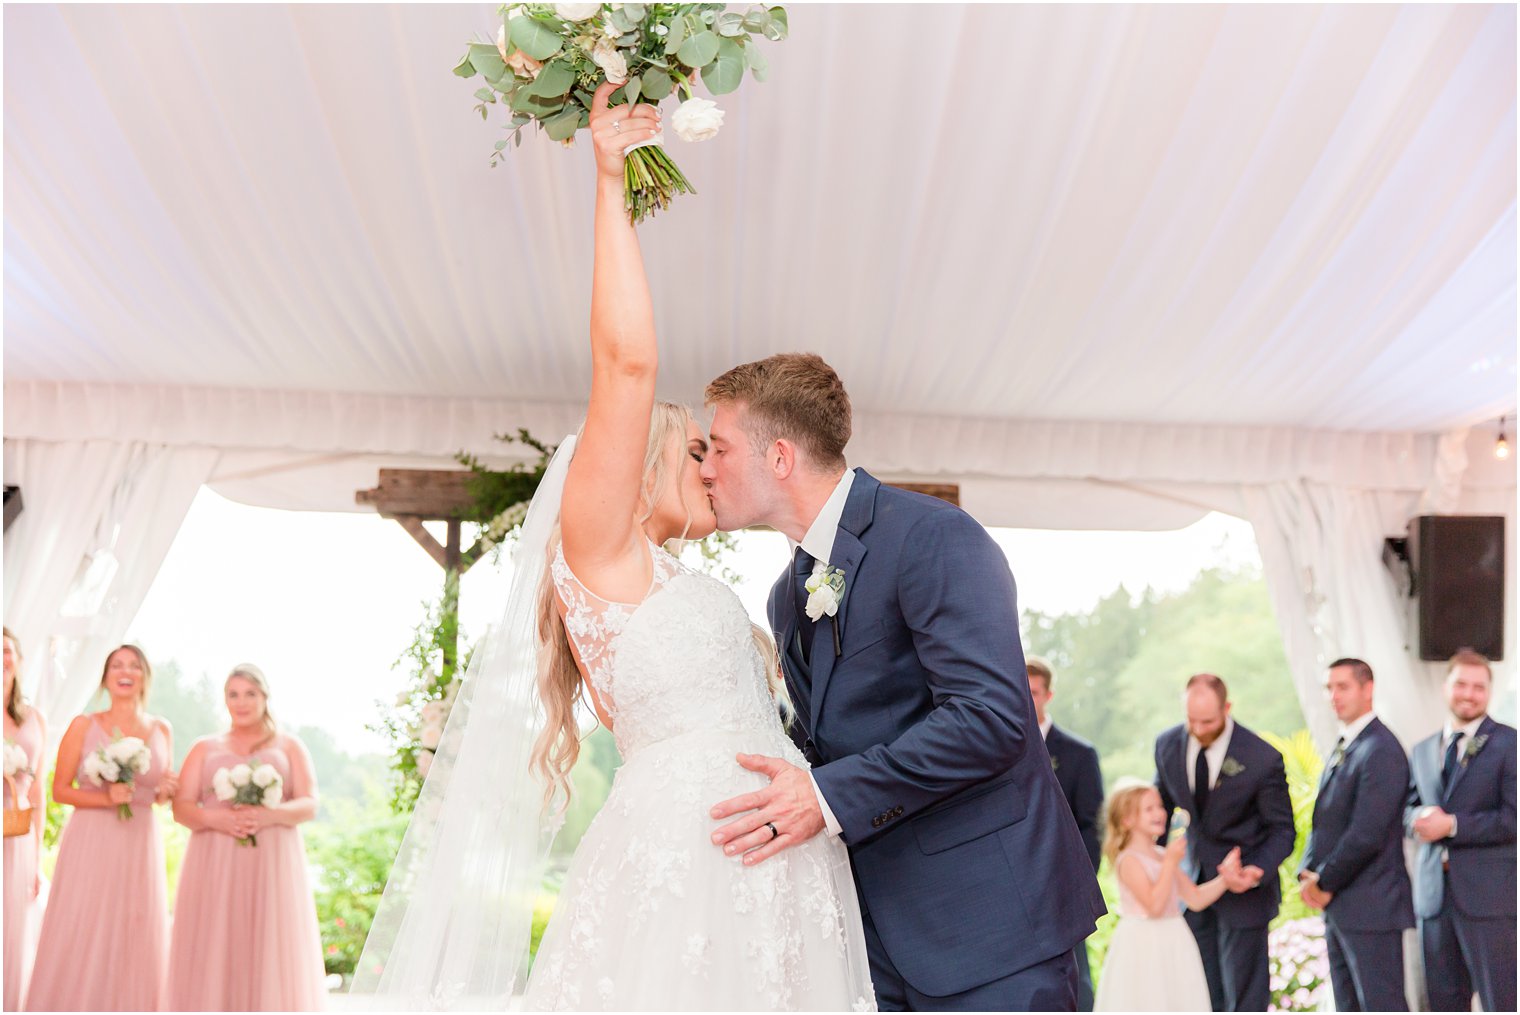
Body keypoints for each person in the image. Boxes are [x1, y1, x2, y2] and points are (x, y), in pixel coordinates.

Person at [352, 82, 873, 1011]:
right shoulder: (602, 550)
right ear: (640, 463)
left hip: (775, 860)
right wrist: (609, 179)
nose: (716, 468)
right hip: (691, 856)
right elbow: (626, 364)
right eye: (699, 451)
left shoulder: (677, 576)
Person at [700, 358, 1105, 1011]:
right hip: (874, 943)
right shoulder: (787, 595)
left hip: (992, 933)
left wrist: (824, 795)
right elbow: (827, 742)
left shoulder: (933, 536)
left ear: (778, 456)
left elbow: (990, 719)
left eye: (718, 447)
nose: (706, 468)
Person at [25, 644, 177, 1012]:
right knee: (85, 919)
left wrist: (165, 793)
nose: (125, 672)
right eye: (116, 666)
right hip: (91, 839)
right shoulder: (84, 725)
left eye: (134, 666)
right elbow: (60, 790)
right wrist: (107, 799)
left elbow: (159, 792)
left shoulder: (161, 729)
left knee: (136, 922)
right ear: (105, 677)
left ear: (144, 677)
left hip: (140, 838)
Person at [167, 663, 326, 1010]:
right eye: (233, 694)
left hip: (273, 861)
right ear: (225, 700)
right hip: (214, 860)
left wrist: (269, 815)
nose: (241, 702)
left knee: (270, 940)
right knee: (216, 938)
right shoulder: (204, 747)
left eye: (250, 694)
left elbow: (310, 803)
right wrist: (217, 820)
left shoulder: (290, 746)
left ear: (265, 697)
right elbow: (181, 807)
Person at [1152, 672, 1294, 1011]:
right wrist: (1152, 863)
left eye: (1208, 721)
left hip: (1243, 894)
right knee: (1200, 993)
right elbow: (1159, 810)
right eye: (1191, 720)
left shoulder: (1262, 758)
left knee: (1244, 1000)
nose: (1198, 729)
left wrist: (1255, 871)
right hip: (1191, 890)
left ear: (1227, 708)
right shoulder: (1167, 744)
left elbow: (1283, 830)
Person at [1298, 657, 1413, 1011]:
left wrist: (1324, 881)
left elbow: (1368, 832)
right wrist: (1307, 869)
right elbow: (1325, 819)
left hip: (1372, 905)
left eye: (1343, 686)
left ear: (1368, 688)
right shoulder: (1347, 743)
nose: (1334, 695)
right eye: (1329, 688)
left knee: (1381, 1004)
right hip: (1343, 907)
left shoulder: (1381, 749)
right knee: (1349, 1005)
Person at [1404, 649, 1515, 1012]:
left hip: (1490, 900)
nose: (1469, 694)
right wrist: (1416, 820)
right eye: (1461, 684)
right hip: (1434, 899)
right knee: (1442, 1002)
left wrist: (1452, 825)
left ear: (1489, 692)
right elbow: (1404, 811)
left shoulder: (1510, 744)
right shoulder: (1422, 750)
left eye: (1478, 687)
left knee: (1502, 999)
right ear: (1445, 687)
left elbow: (1514, 818)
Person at [1093, 780, 1234, 1012]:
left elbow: (1195, 898)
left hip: (1175, 937)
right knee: (1150, 999)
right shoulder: (1128, 860)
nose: (1160, 813)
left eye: (1159, 806)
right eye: (1149, 809)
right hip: (1144, 944)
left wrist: (1225, 879)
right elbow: (1154, 907)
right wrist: (1170, 862)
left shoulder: (1161, 854)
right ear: (1127, 820)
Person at [1027, 657, 1104, 1010]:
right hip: (1016, 882)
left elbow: (1092, 825)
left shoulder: (1080, 754)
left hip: (1064, 881)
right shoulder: (996, 746)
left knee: (1076, 976)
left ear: (1048, 694)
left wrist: (1079, 881)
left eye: (1034, 693)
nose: (1027, 700)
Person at [3, 628, 46, 1011]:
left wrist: (38, 855)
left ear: (18, 658)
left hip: (18, 836)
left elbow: (38, 789)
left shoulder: (34, 718)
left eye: (6, 651)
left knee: (14, 927)